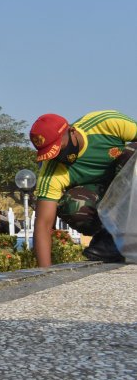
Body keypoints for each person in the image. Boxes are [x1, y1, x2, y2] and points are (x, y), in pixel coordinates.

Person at [30, 111, 137, 267]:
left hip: (129, 184)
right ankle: (110, 239)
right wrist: (44, 275)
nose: (58, 157)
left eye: (60, 149)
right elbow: (43, 225)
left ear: (72, 131)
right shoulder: (51, 173)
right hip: (100, 197)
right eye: (51, 154)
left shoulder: (105, 124)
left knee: (133, 152)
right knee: (73, 206)